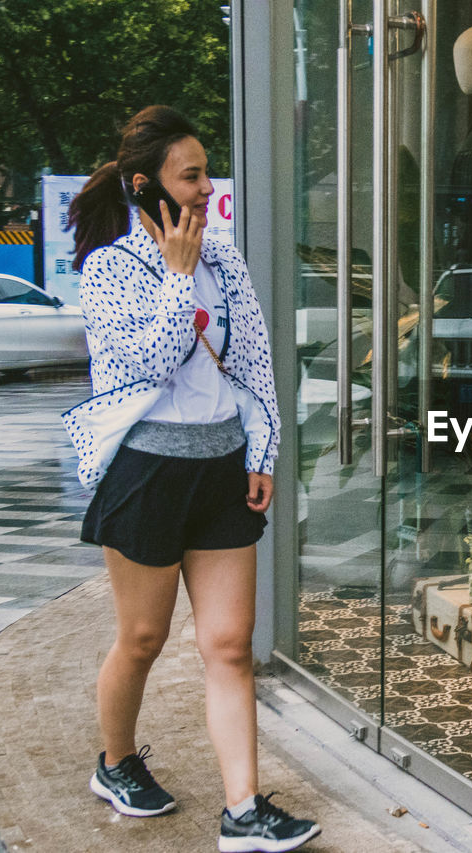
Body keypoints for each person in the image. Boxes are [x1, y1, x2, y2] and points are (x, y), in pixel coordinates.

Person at [64, 105, 320, 852]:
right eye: (193, 174)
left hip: (218, 470)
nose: (209, 187)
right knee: (142, 636)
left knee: (230, 644)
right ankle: (115, 762)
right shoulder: (109, 268)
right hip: (145, 470)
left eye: (208, 171)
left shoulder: (227, 259)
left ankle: (243, 809)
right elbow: (149, 363)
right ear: (146, 186)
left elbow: (256, 367)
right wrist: (178, 280)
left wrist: (261, 451)